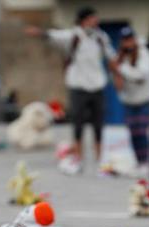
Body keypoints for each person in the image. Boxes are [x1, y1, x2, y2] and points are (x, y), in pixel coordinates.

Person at [25, 7, 117, 174]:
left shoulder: (100, 38)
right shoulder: (73, 36)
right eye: (91, 19)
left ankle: (100, 161)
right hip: (78, 86)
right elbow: (53, 35)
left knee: (98, 125)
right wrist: (38, 32)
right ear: (83, 20)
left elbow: (111, 57)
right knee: (78, 124)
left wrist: (118, 74)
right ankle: (78, 159)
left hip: (97, 85)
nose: (95, 22)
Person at [114, 26, 149, 177]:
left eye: (130, 39)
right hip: (129, 101)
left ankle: (147, 162)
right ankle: (140, 162)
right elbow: (117, 80)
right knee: (133, 133)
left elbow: (141, 75)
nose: (127, 43)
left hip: (145, 99)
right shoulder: (120, 57)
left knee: (143, 131)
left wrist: (121, 68)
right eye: (124, 40)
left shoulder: (144, 54)